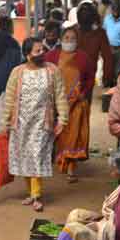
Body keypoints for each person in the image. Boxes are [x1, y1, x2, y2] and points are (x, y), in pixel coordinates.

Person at [0, 37, 68, 212]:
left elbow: (60, 96)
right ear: (27, 55)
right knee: (24, 156)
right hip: (20, 123)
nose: (42, 53)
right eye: (37, 51)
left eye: (42, 49)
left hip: (43, 123)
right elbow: (10, 99)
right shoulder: (17, 72)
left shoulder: (53, 71)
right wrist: (5, 123)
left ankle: (36, 195)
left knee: (37, 155)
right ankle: (31, 193)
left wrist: (63, 120)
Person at [46, 26, 95, 183]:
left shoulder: (83, 58)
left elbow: (90, 79)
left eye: (72, 38)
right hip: (57, 105)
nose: (69, 41)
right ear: (61, 39)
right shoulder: (51, 56)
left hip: (77, 104)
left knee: (74, 135)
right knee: (60, 134)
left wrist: (82, 94)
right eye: (66, 38)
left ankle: (71, 170)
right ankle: (61, 160)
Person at [76, 1, 115, 87]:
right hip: (77, 75)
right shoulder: (73, 32)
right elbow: (108, 57)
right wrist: (107, 78)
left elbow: (108, 58)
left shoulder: (100, 33)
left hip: (86, 76)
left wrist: (107, 77)